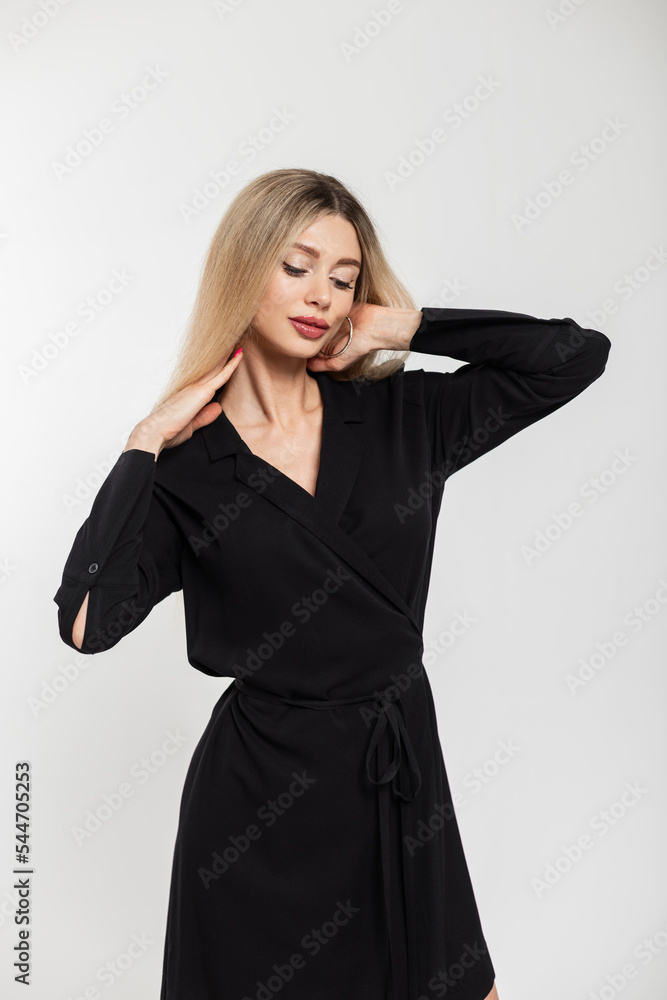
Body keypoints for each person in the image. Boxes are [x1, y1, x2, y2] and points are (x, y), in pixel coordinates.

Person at [53, 167, 611, 1000]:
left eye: (343, 278)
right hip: (256, 808)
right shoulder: (188, 469)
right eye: (296, 266)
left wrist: (408, 325)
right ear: (244, 269)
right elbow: (87, 623)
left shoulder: (402, 417)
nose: (321, 294)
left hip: (397, 775)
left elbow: (575, 357)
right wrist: (143, 446)